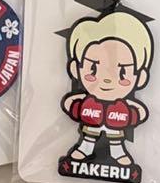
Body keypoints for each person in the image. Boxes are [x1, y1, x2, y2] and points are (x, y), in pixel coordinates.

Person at [61, 9, 153, 169]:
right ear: (76, 69)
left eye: (122, 72)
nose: (107, 79)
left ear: (140, 77)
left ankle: (118, 153)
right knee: (89, 135)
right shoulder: (87, 100)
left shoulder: (122, 106)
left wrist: (135, 114)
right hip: (91, 118)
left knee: (116, 138)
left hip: (116, 121)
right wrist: (74, 105)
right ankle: (85, 149)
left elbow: (138, 112)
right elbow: (72, 104)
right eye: (93, 68)